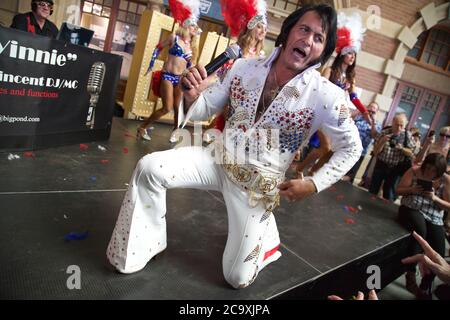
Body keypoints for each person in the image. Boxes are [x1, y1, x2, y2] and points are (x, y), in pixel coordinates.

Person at [106, 4, 362, 289]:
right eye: (304, 29)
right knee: (149, 167)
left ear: (323, 52)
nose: (308, 40)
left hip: (256, 187)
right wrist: (191, 94)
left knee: (236, 278)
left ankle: (266, 240)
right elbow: (205, 108)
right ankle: (147, 243)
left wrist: (314, 183)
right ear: (289, 31)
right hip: (216, 159)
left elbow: (352, 148)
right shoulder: (243, 67)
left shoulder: (328, 96)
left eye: (318, 38)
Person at [137, 0, 201, 142]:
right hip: (167, 76)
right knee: (167, 108)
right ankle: (142, 127)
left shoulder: (192, 46)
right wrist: (153, 61)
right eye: (192, 25)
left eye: (195, 26)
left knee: (178, 109)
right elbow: (159, 46)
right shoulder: (174, 38)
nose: (194, 28)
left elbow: (191, 65)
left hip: (179, 79)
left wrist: (190, 74)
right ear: (186, 25)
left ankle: (175, 132)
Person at [207, 0, 268, 135]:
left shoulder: (261, 55)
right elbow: (221, 72)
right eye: (259, 26)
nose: (263, 30)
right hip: (230, 95)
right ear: (251, 27)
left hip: (247, 100)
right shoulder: (237, 49)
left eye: (265, 28)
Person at [396, 153, 450, 298]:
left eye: (434, 170)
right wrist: (412, 190)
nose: (430, 172)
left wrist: (434, 198)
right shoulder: (414, 171)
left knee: (439, 249)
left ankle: (425, 286)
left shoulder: (446, 180)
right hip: (412, 208)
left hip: (434, 215)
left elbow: (448, 206)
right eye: (428, 168)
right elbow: (399, 190)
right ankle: (411, 273)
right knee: (420, 232)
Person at [368, 113, 415, 200]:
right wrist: (382, 141)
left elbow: (411, 153)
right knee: (373, 190)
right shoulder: (384, 132)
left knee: (389, 194)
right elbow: (375, 152)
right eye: (397, 125)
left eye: (402, 125)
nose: (399, 128)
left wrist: (402, 149)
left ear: (405, 125)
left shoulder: (407, 135)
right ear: (392, 122)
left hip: (396, 168)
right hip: (381, 165)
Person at [344, 102, 381, 183]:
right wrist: (359, 111)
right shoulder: (359, 117)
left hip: (360, 152)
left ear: (376, 112)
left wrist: (373, 122)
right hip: (347, 147)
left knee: (350, 175)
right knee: (341, 169)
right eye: (370, 107)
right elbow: (346, 120)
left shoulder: (377, 123)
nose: (371, 110)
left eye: (373, 110)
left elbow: (374, 135)